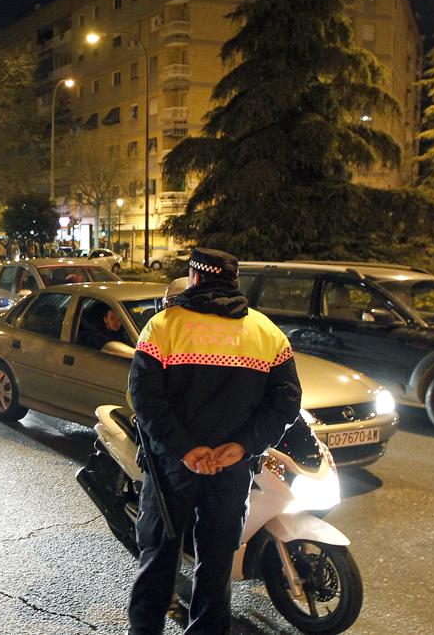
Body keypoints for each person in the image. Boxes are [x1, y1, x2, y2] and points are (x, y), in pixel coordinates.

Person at [126, 247, 302, 634]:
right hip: (231, 470)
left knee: (157, 559)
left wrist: (186, 449)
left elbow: (144, 398)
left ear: (195, 278)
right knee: (216, 563)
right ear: (234, 282)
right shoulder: (267, 333)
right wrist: (242, 446)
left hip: (171, 468)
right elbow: (286, 402)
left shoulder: (163, 326)